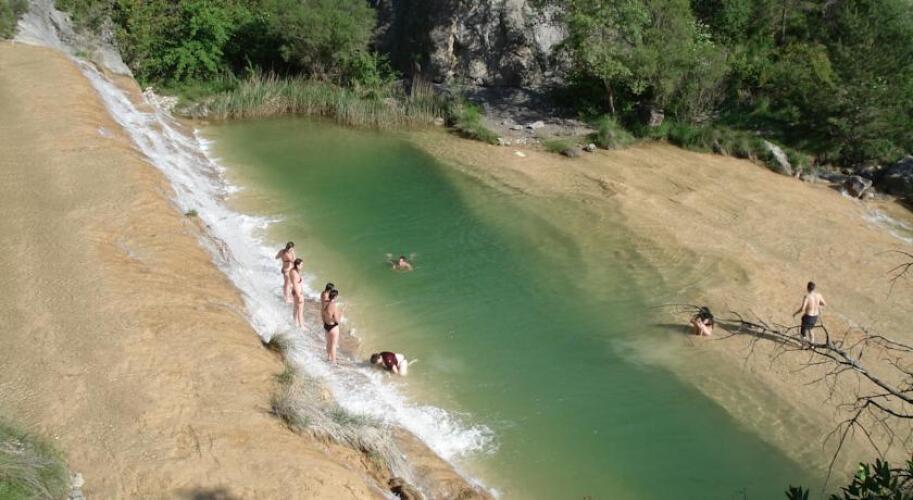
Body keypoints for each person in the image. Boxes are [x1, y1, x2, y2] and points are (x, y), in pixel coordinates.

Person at [321, 288, 341, 366]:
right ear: (335, 296)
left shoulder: (325, 303)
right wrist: (340, 316)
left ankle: (329, 358)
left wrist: (325, 323)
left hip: (326, 325)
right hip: (333, 327)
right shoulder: (334, 306)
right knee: (334, 345)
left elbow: (322, 315)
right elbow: (336, 320)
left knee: (328, 343)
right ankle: (334, 362)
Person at [290, 258, 304, 328]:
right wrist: (299, 296)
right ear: (297, 265)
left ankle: (294, 323)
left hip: (295, 291)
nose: (302, 266)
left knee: (296, 308)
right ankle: (301, 326)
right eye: (301, 265)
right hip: (298, 292)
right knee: (300, 311)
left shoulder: (293, 270)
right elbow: (295, 284)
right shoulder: (295, 274)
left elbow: (294, 283)